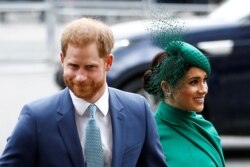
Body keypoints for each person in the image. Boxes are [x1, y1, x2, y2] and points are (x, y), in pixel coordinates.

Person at [0, 17, 167, 167]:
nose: (80, 77)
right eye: (73, 66)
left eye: (90, 67)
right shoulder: (36, 117)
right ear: (62, 59)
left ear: (108, 62)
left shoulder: (138, 110)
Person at [143, 41, 225, 167]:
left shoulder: (206, 128)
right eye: (193, 82)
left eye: (204, 80)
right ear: (166, 87)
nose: (203, 89)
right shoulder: (151, 136)